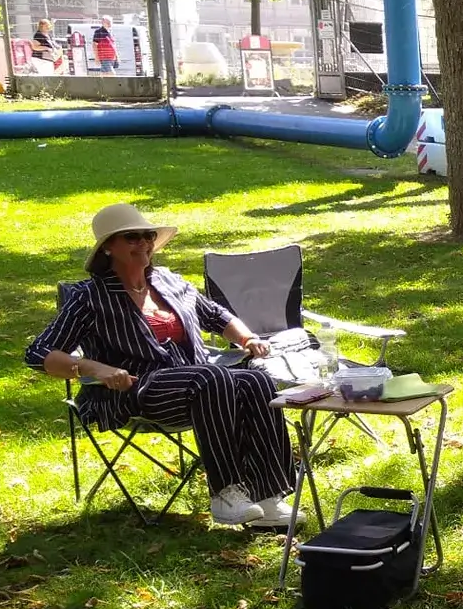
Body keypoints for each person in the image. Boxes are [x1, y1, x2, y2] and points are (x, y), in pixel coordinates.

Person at [27, 202, 297, 528]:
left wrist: (247, 338)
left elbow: (215, 315)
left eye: (148, 235)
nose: (143, 243)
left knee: (256, 380)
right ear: (108, 248)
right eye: (131, 237)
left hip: (197, 381)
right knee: (212, 377)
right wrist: (95, 368)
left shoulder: (168, 281)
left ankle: (267, 496)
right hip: (134, 388)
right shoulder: (90, 297)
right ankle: (226, 493)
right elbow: (39, 352)